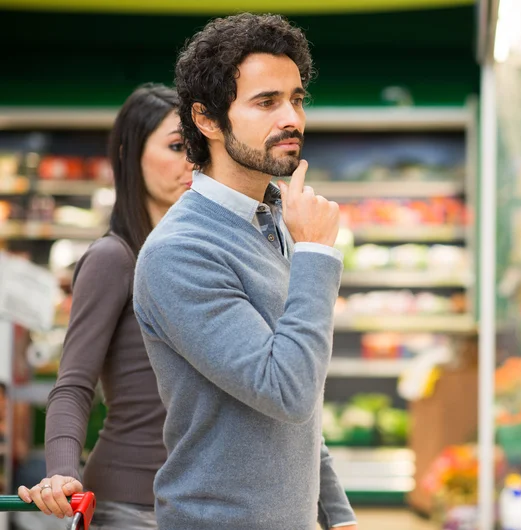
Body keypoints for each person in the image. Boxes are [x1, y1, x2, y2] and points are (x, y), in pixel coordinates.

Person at [133, 13, 357, 530]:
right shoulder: (181, 251)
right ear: (208, 120)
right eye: (266, 102)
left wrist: (337, 515)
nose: (292, 119)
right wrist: (316, 255)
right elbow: (286, 390)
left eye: (297, 99)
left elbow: (300, 402)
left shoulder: (276, 218)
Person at [17, 83, 193, 529]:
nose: (192, 161)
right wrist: (60, 471)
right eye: (176, 146)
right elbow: (74, 384)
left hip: (202, 504)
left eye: (199, 147)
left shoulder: (199, 260)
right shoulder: (113, 258)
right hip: (131, 508)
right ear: (128, 156)